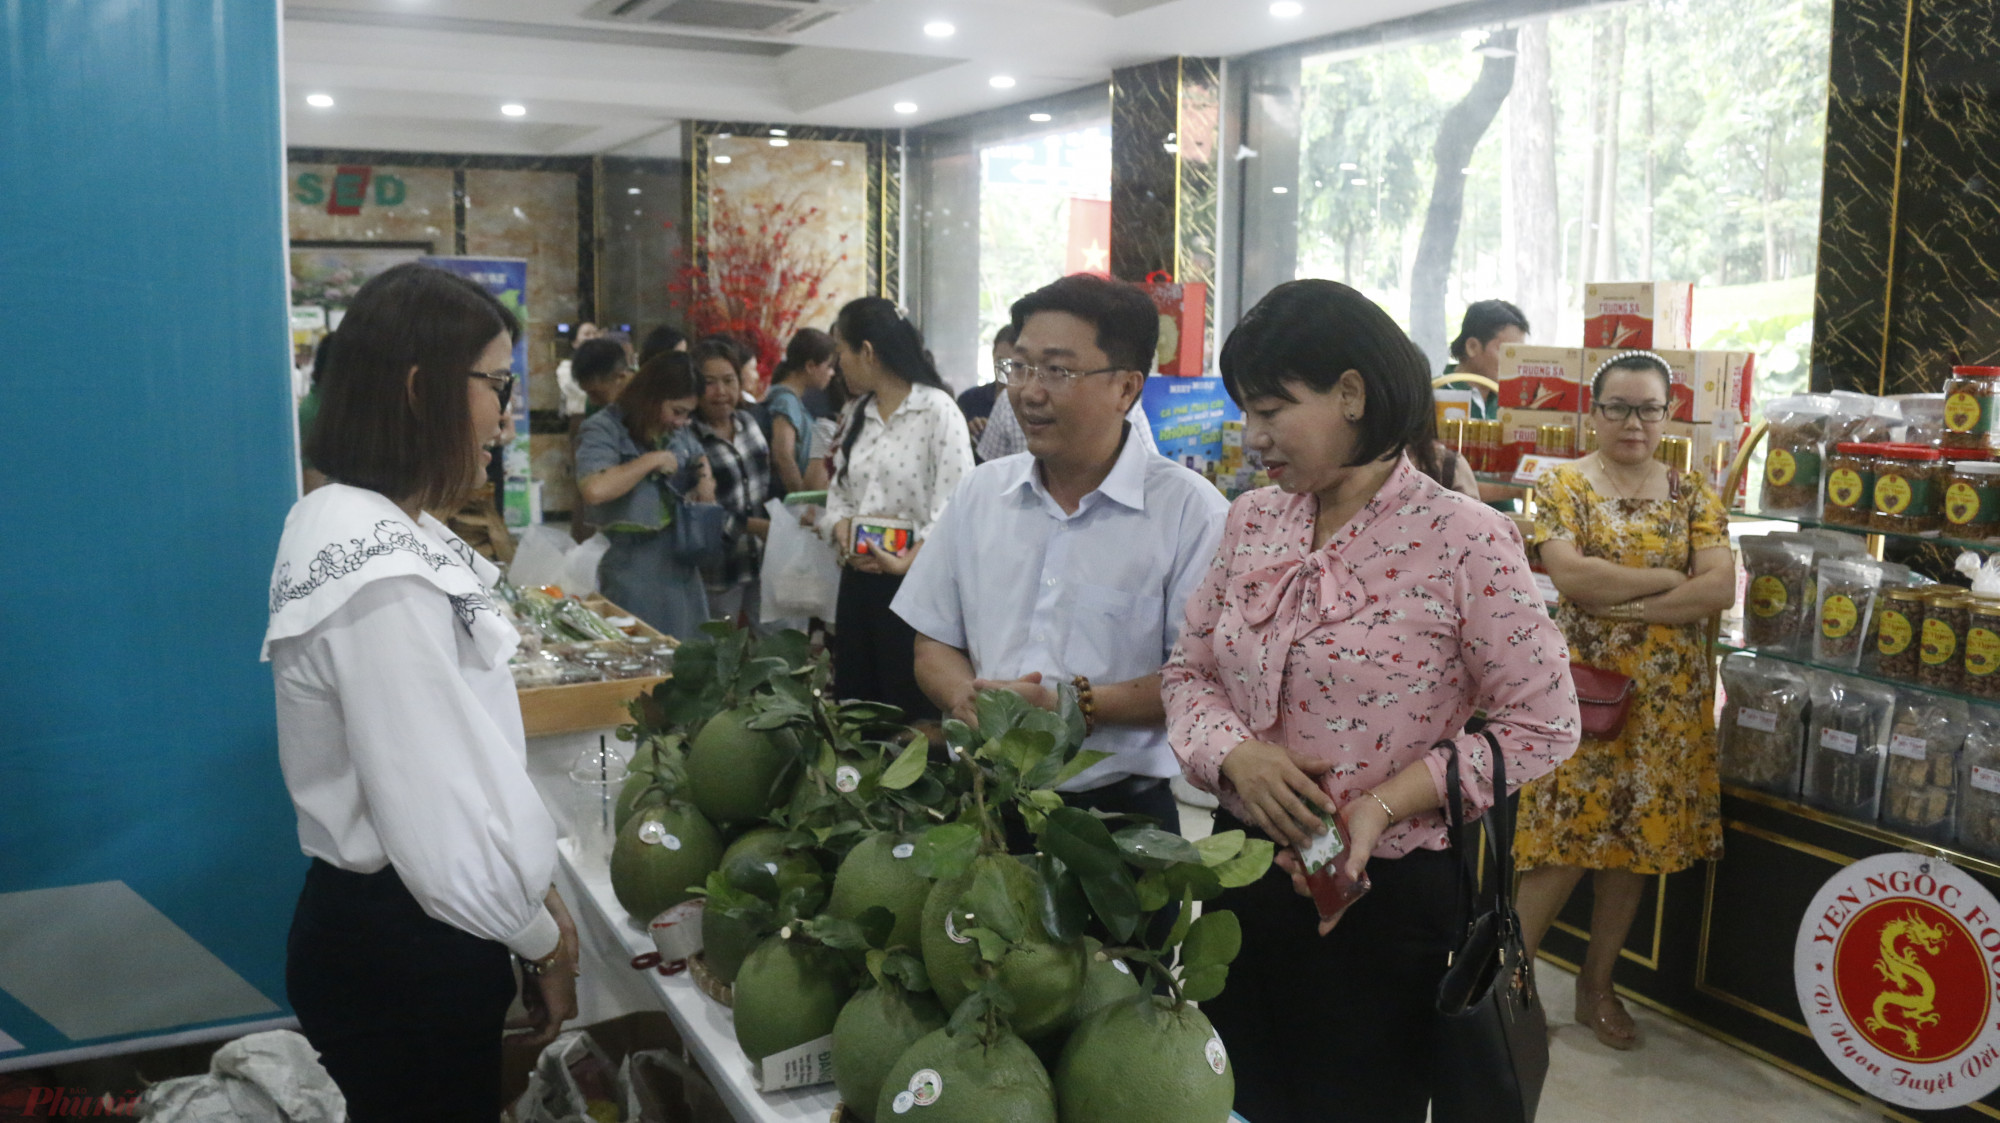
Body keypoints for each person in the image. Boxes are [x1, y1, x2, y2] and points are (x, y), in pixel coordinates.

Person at [1161, 279, 1579, 1123]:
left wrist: (1384, 804)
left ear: (1350, 394)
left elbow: (1544, 722)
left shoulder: (1463, 537)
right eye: (1246, 411)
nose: (1254, 436)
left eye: (1274, 409)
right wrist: (1236, 753)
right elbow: (1187, 672)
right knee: (1226, 1096)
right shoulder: (1253, 523)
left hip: (1386, 897)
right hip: (1246, 874)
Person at [267, 263, 577, 1122]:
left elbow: (464, 768)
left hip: (412, 928)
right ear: (419, 387)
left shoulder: (376, 522)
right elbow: (435, 830)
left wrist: (532, 896)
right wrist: (545, 942)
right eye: (496, 382)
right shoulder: (373, 563)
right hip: (403, 942)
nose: (507, 412)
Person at [896, 274, 1226, 828]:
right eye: (1020, 366)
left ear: (1126, 387)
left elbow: (1199, 679)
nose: (1028, 391)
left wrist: (1070, 706)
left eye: (1057, 370)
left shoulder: (1192, 514)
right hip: (982, 805)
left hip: (1120, 818)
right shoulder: (981, 493)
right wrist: (968, 700)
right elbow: (932, 641)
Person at [1513, 350, 1736, 1051]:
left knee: (1632, 850)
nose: (1633, 421)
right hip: (1584, 699)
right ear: (1594, 410)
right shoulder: (1560, 486)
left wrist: (1630, 603)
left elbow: (1718, 590)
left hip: (1668, 708)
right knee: (1561, 844)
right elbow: (1573, 579)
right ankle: (1501, 992)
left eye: (1647, 407)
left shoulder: (1695, 493)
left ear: (1668, 415)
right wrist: (1669, 579)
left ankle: (1596, 988)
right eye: (1617, 406)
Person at [815, 297, 974, 719]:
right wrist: (843, 529)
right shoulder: (856, 414)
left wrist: (907, 562)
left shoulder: (937, 412)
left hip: (916, 590)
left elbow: (956, 505)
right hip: (858, 583)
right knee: (858, 707)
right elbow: (839, 494)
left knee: (908, 711)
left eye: (842, 352)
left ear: (866, 351)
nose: (838, 364)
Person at [574, 352, 724, 641]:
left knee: (689, 650)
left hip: (679, 556)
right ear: (651, 398)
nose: (682, 422)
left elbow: (697, 455)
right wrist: (651, 461)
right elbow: (595, 489)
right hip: (632, 562)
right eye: (677, 411)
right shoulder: (604, 428)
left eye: (688, 414)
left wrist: (705, 482)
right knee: (642, 648)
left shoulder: (675, 430)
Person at [689, 337, 773, 628]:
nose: (721, 391)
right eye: (710, 382)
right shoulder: (688, 439)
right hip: (717, 569)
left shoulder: (749, 424)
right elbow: (695, 509)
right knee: (719, 651)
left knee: (771, 649)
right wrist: (752, 526)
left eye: (729, 380)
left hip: (763, 560)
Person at [1446, 299, 1531, 506]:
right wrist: (1518, 491)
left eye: (1519, 354)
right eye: (1507, 352)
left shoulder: (1512, 404)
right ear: (1472, 347)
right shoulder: (1436, 397)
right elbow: (1436, 481)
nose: (1515, 362)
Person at [763, 328, 837, 495]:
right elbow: (783, 455)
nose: (832, 373)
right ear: (810, 366)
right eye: (829, 366)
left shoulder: (793, 401)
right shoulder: (786, 401)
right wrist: (802, 500)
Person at [956, 324, 1017, 451]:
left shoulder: (1028, 404)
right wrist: (968, 432)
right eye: (1000, 360)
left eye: (1012, 363)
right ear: (993, 356)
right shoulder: (969, 399)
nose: (1005, 369)